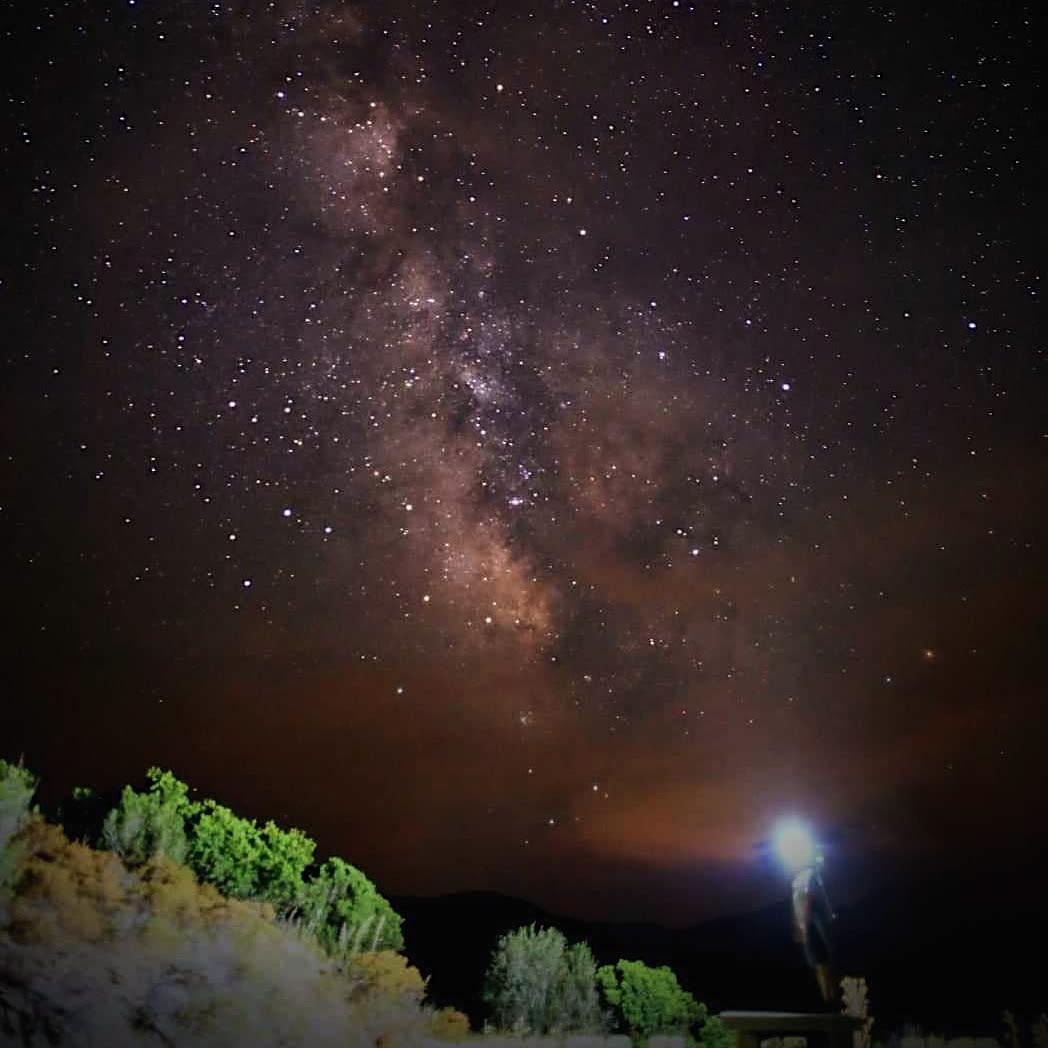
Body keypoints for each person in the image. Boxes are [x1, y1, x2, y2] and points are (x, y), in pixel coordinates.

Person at [790, 853, 837, 1006]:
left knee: (822, 965)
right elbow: (801, 902)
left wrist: (802, 923)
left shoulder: (806, 876)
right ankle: (829, 999)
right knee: (821, 965)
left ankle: (829, 1000)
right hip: (810, 926)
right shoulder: (800, 879)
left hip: (813, 926)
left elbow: (807, 898)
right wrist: (799, 926)